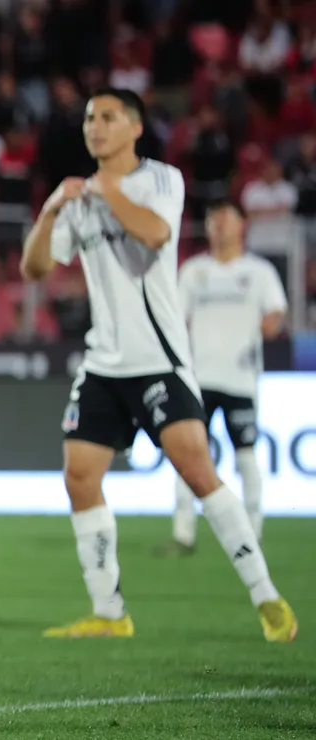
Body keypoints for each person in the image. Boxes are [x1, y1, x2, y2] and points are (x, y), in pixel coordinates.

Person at [19, 87, 297, 642]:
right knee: (79, 477)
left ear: (135, 128)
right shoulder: (76, 196)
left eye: (108, 118)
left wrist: (102, 192)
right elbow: (35, 267)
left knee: (197, 471)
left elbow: (155, 233)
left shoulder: (161, 179)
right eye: (90, 119)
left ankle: (267, 597)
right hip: (104, 362)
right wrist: (52, 211)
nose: (94, 127)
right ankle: (109, 611)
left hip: (158, 361)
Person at [159, 200, 287, 555]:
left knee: (245, 455)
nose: (218, 226)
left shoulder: (259, 272)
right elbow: (175, 318)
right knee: (187, 456)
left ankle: (253, 532)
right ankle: (183, 533)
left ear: (241, 225)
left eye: (225, 219)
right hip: (198, 378)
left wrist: (271, 324)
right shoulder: (194, 271)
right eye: (213, 220)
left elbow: (276, 312)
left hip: (240, 379)